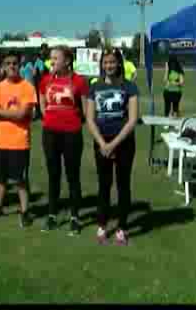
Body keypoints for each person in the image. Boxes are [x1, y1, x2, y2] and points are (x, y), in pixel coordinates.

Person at [86, 48, 139, 246]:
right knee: (104, 185)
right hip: (101, 142)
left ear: (119, 63)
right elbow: (90, 119)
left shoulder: (129, 86)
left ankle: (122, 228)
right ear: (101, 64)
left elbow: (132, 119)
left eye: (112, 62)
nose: (109, 66)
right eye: (105, 62)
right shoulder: (94, 87)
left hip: (124, 142)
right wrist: (102, 143)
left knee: (123, 185)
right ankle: (102, 224)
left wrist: (114, 144)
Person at [38, 46, 89, 235]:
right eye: (51, 58)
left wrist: (71, 121)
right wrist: (51, 119)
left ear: (67, 61)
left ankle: (75, 217)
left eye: (56, 58)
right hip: (50, 134)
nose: (52, 62)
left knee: (72, 176)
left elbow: (85, 110)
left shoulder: (79, 81)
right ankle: (52, 215)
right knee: (53, 175)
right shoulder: (45, 80)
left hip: (72, 134)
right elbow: (42, 103)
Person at [0, 51, 36, 228]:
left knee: (20, 180)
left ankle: (25, 211)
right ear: (3, 67)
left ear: (19, 65)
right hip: (0, 141)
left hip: (19, 142)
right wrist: (11, 114)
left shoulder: (27, 87)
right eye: (8, 63)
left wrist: (2, 113)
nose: (12, 66)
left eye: (15, 63)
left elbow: (23, 114)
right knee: (0, 178)